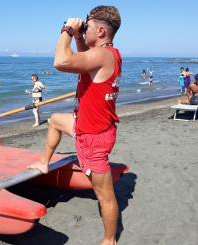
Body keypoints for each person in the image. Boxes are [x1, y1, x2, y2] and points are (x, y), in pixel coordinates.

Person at [29, 5, 122, 245]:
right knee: (55, 121)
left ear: (100, 30)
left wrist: (68, 29)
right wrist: (80, 36)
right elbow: (83, 57)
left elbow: (61, 61)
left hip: (93, 136)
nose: (84, 28)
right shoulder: (110, 53)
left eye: (88, 26)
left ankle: (109, 240)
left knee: (105, 196)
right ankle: (43, 163)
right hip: (86, 125)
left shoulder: (101, 55)